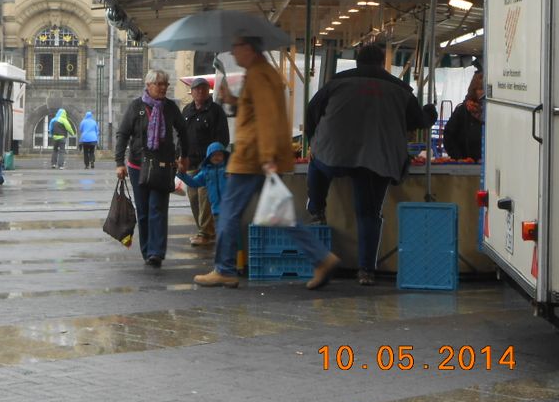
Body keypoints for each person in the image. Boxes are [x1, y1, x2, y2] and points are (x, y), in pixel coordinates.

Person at [195, 35, 339, 290]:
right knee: (280, 214)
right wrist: (234, 101)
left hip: (252, 157)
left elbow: (268, 118)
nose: (234, 53)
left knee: (228, 211)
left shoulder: (260, 75)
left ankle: (224, 269)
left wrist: (268, 157)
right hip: (258, 157)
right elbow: (257, 111)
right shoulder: (260, 73)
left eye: (236, 47)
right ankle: (321, 257)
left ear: (249, 48)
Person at [304, 43, 438, 286]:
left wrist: (312, 140)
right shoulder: (401, 89)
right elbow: (419, 121)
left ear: (357, 61)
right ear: (381, 63)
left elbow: (312, 110)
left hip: (334, 153)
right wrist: (431, 112)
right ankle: (366, 271)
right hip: (376, 159)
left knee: (317, 163)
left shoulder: (335, 82)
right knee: (368, 214)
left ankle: (316, 209)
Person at [115, 68, 189, 268]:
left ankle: (156, 252)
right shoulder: (136, 107)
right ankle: (147, 250)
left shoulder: (171, 108)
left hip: (163, 166)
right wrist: (119, 163)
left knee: (158, 208)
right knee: (144, 211)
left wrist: (184, 156)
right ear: (148, 86)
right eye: (159, 84)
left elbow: (183, 131)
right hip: (138, 166)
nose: (163, 87)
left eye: (166, 84)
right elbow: (122, 134)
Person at [182, 77, 230, 246]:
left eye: (203, 89)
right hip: (191, 163)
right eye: (197, 89)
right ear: (192, 92)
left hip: (207, 165)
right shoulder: (187, 111)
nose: (200, 91)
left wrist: (214, 159)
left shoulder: (215, 111)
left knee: (205, 200)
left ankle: (206, 233)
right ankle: (204, 231)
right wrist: (181, 156)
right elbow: (180, 136)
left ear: (208, 91)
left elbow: (223, 137)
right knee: (194, 199)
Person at [177, 141, 228, 234]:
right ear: (209, 157)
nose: (216, 157)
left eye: (219, 154)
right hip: (216, 210)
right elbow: (193, 183)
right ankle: (224, 247)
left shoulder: (228, 170)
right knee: (221, 233)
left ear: (224, 156)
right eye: (213, 155)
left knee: (231, 232)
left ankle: (233, 248)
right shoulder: (206, 172)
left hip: (229, 208)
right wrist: (182, 174)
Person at [444, 71, 484, 161]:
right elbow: (448, 135)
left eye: (485, 89)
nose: (483, 93)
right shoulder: (462, 111)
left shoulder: (494, 112)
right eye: (480, 89)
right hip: (467, 165)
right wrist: (459, 158)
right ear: (473, 90)